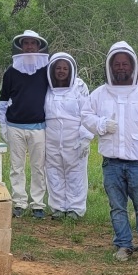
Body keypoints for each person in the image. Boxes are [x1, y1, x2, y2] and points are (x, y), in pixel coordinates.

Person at [82, 41, 138, 266]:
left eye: (125, 63)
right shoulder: (100, 93)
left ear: (133, 66)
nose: (121, 67)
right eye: (116, 64)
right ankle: (123, 244)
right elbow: (85, 115)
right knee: (117, 207)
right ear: (110, 66)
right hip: (112, 163)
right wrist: (100, 123)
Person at [0, 30, 51, 219]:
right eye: (26, 43)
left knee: (38, 166)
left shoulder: (46, 70)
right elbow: (3, 100)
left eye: (32, 43)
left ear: (38, 47)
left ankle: (37, 204)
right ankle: (19, 202)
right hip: (15, 126)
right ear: (21, 46)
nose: (29, 46)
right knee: (16, 167)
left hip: (39, 126)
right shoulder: (11, 72)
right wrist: (2, 125)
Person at [43, 53, 94, 221]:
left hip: (74, 139)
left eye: (65, 68)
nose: (61, 71)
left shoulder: (79, 87)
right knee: (53, 172)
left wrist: (85, 138)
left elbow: (88, 113)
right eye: (58, 68)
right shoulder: (46, 88)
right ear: (52, 69)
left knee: (76, 173)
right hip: (51, 138)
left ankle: (75, 209)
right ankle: (58, 207)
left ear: (71, 70)